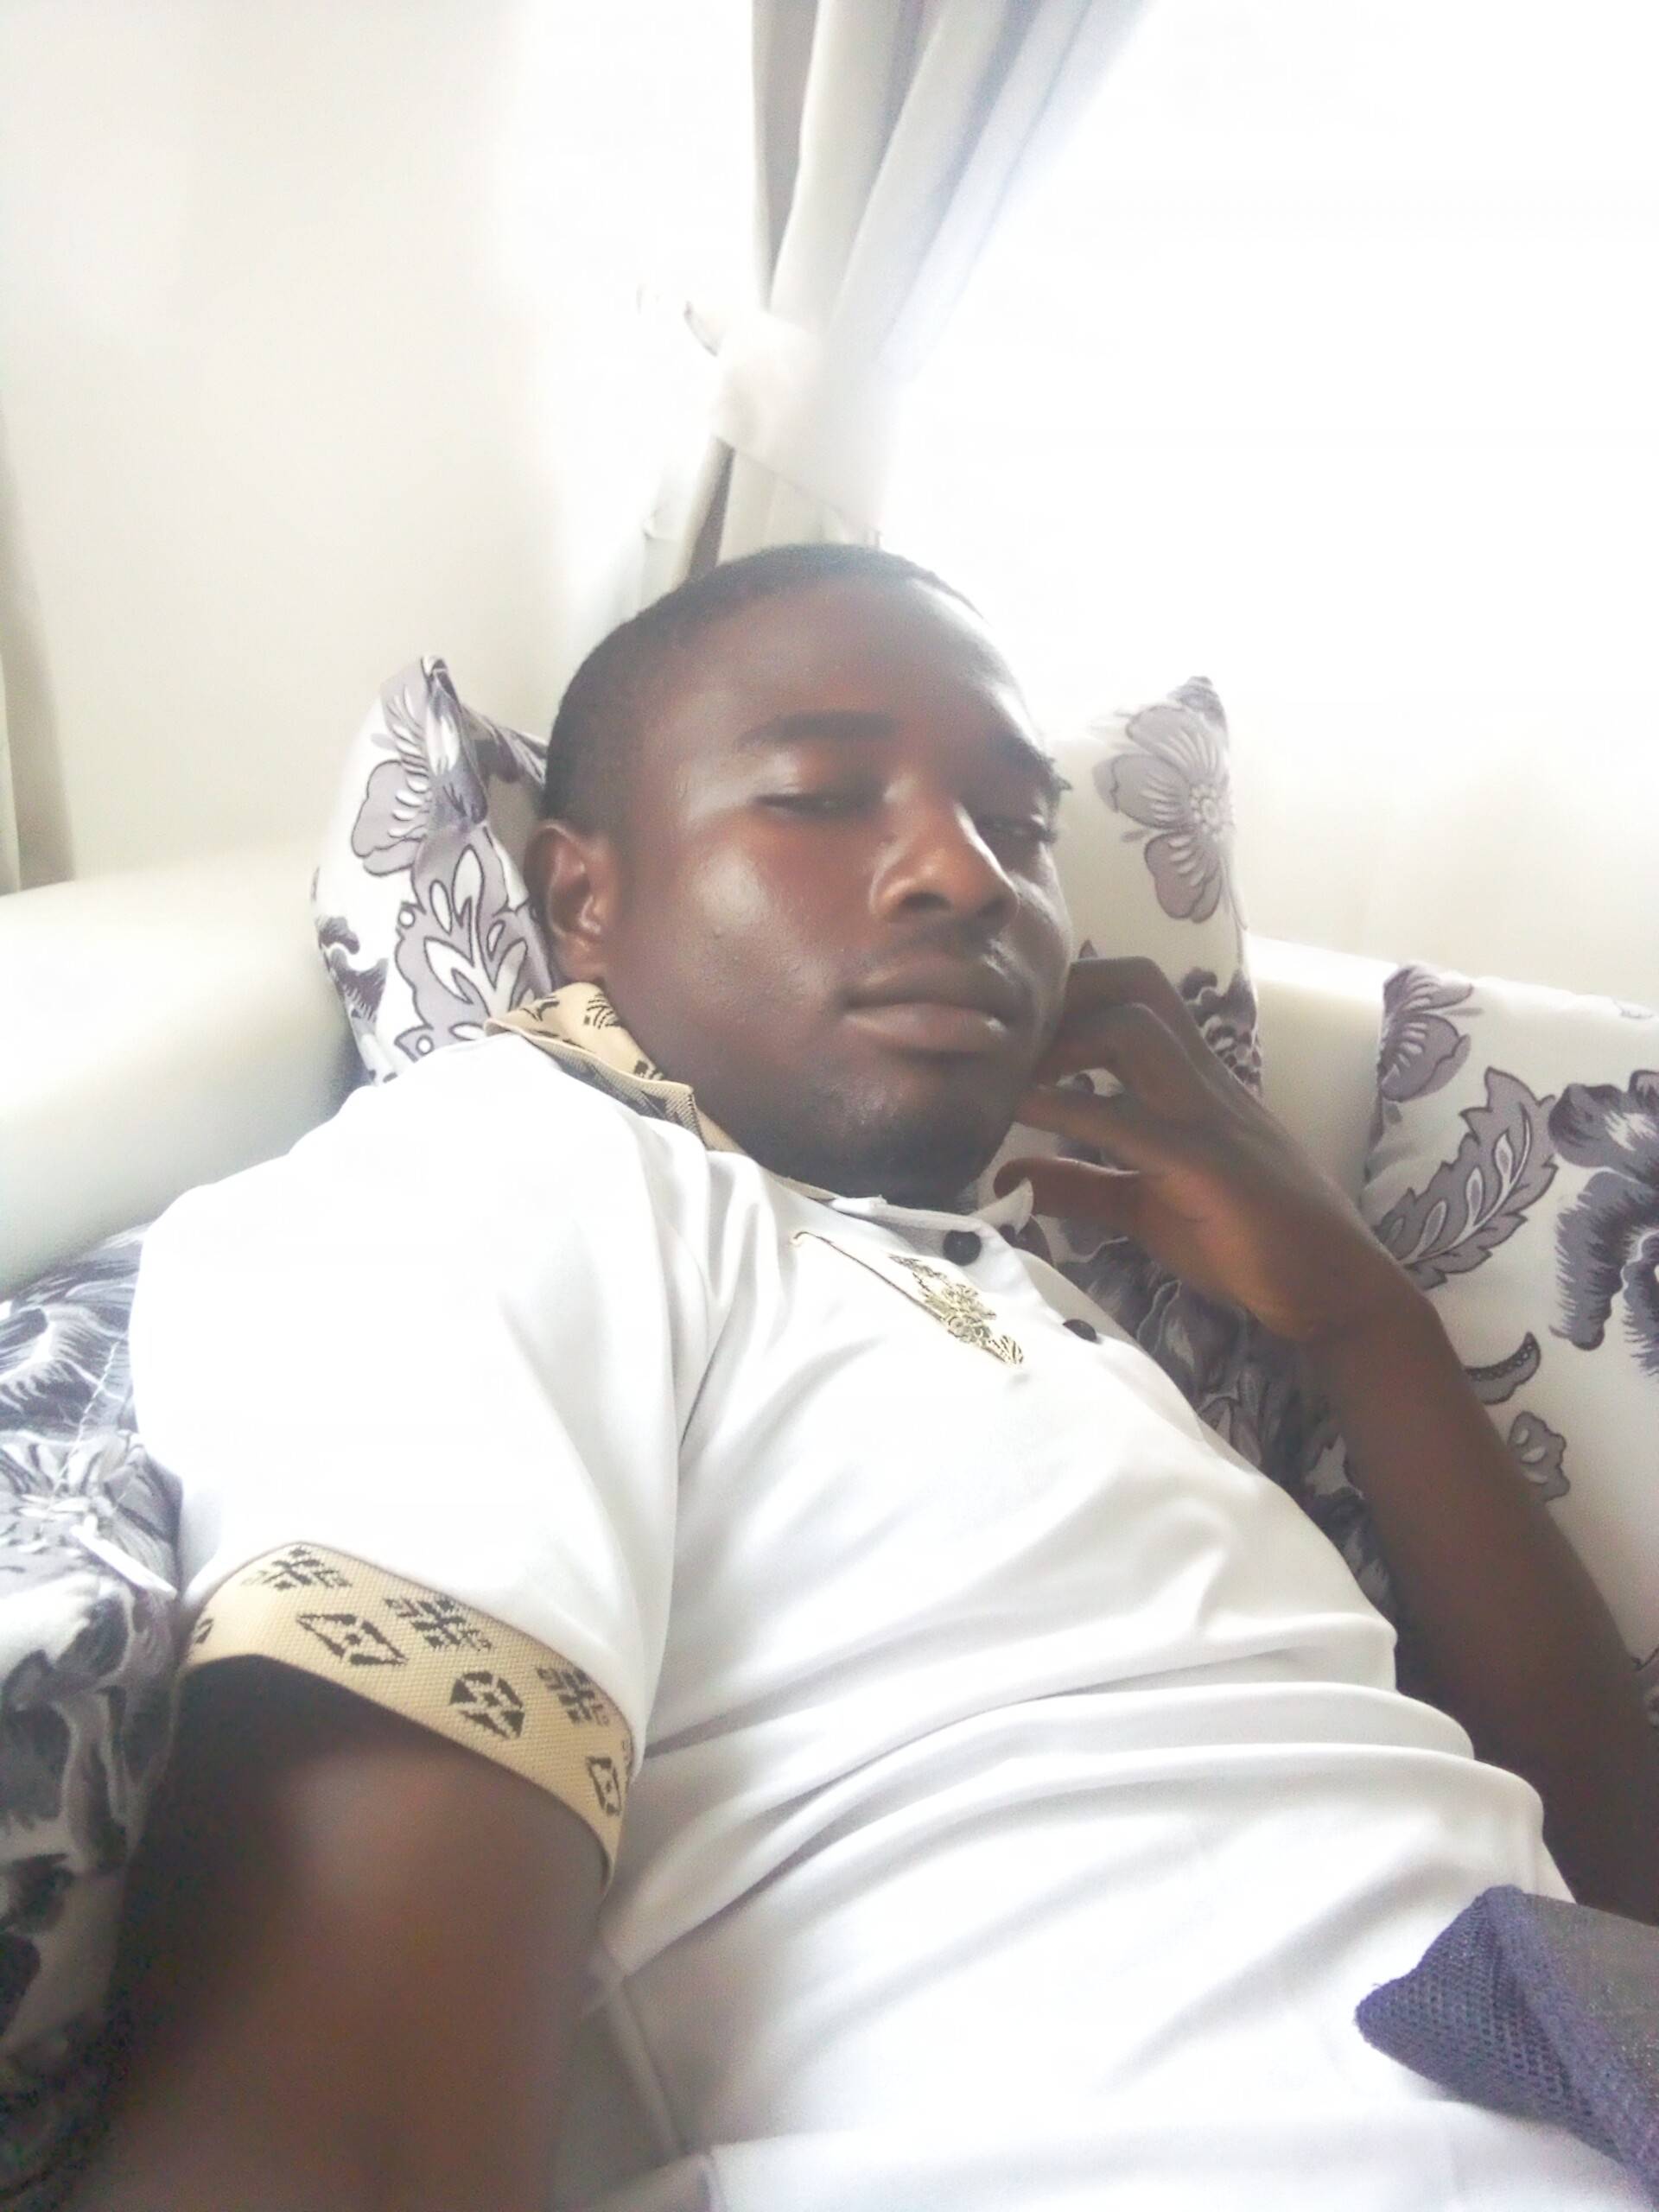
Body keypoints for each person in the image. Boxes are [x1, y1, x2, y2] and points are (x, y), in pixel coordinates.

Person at [79, 546, 1656, 2210]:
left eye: (1021, 826)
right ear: (582, 899)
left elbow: (1606, 1895)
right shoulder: (501, 1169)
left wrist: (1360, 1317)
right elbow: (325, 2119)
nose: (967, 875)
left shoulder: (1054, 1302)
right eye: (824, 796)